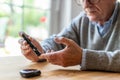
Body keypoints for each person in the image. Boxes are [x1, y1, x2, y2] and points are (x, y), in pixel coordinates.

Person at [19, 0, 120, 72]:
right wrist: (41, 51)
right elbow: (58, 40)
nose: (85, 5)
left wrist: (83, 57)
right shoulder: (82, 19)